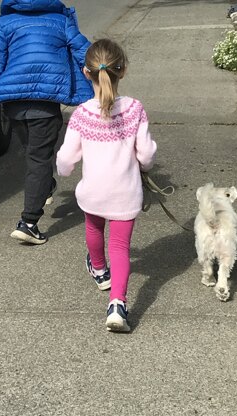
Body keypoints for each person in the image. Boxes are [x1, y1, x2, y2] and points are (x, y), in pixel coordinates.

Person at [56, 39, 157, 332]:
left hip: (93, 192)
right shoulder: (135, 109)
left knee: (93, 229)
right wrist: (144, 166)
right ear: (122, 71)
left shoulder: (82, 114)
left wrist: (65, 172)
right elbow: (147, 153)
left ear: (87, 72)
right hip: (125, 192)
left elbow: (64, 160)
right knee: (121, 246)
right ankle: (117, 304)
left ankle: (99, 270)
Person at [0, 0, 93, 245]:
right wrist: (101, 77)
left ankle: (45, 186)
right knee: (39, 158)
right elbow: (86, 53)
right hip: (46, 102)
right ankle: (29, 223)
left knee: (33, 154)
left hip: (14, 103)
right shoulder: (61, 22)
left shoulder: (4, 23)